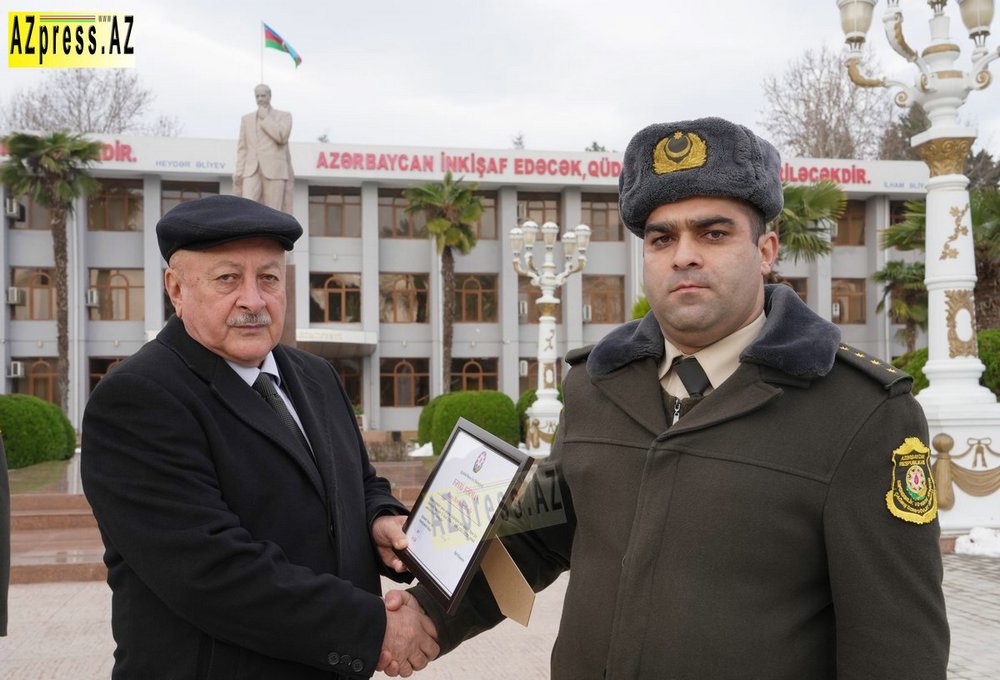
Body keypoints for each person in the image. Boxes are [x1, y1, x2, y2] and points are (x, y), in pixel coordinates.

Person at [390, 117, 950, 679]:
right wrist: (428, 615)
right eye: (662, 239)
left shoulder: (860, 412)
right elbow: (536, 539)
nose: (684, 256)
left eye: (713, 234)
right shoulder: (595, 386)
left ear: (765, 250)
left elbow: (897, 644)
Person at [81, 195, 438, 679]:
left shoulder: (315, 376)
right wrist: (374, 628)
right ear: (176, 289)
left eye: (268, 278)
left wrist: (381, 519)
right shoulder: (139, 398)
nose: (253, 300)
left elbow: (358, 481)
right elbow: (211, 572)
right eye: (228, 278)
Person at [235, 83, 294, 212]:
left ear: (269, 96)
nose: (260, 99)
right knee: (246, 208)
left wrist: (265, 118)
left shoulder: (284, 116)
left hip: (275, 170)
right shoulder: (246, 119)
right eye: (257, 96)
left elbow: (282, 137)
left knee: (273, 211)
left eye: (263, 96)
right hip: (251, 170)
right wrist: (239, 170)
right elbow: (243, 148)